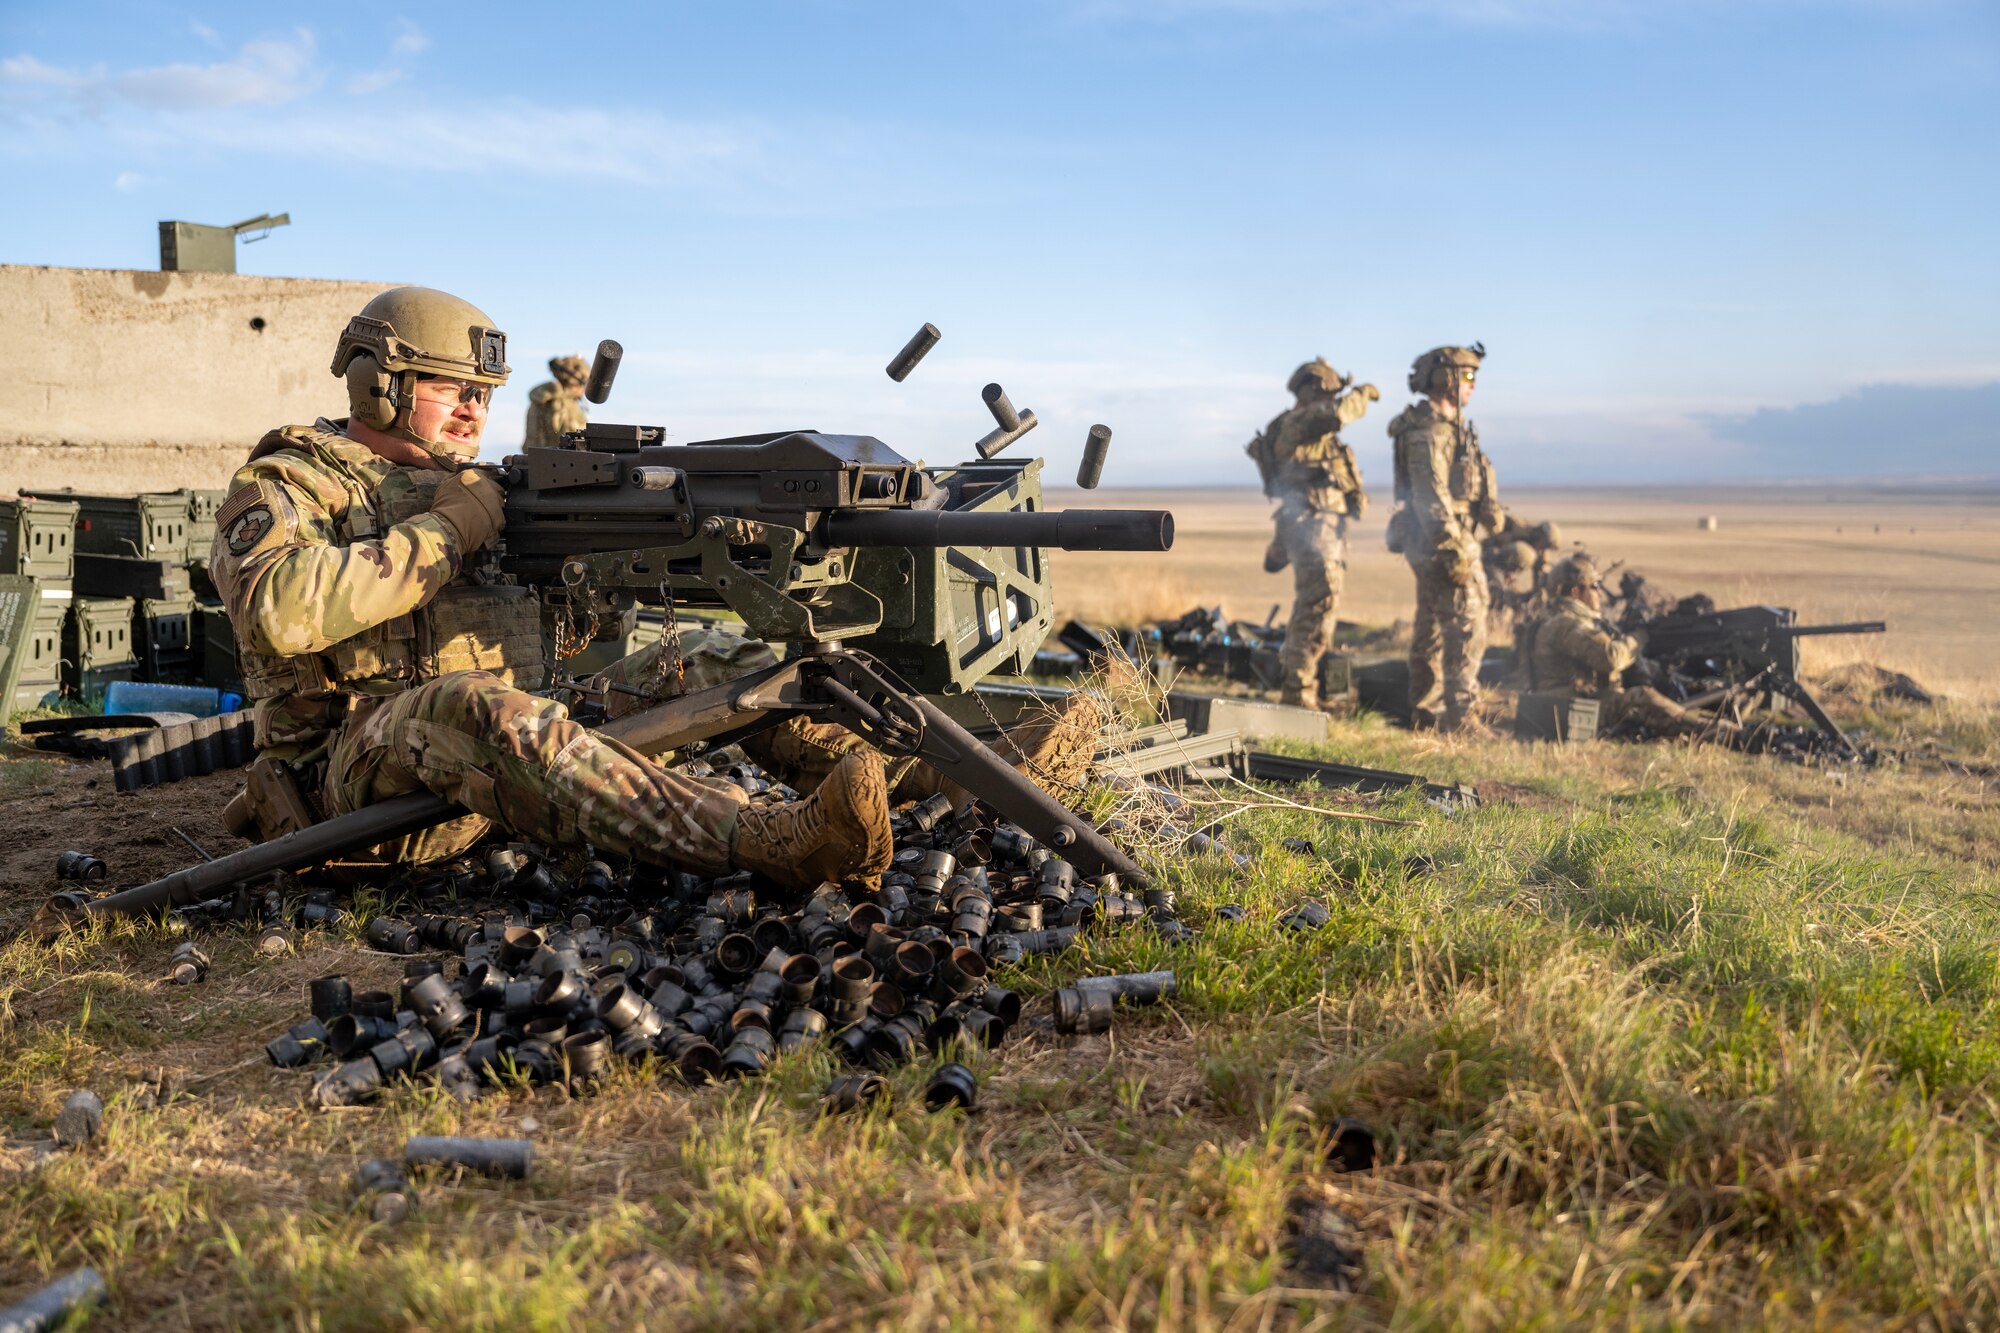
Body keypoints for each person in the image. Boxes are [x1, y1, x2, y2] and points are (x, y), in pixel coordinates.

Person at [208, 287, 893, 891]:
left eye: (484, 394)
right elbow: (279, 612)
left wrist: (588, 581)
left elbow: (548, 643)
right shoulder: (290, 482)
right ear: (377, 384)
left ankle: (891, 787)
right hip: (353, 788)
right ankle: (763, 840)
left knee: (711, 659)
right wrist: (448, 532)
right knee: (466, 702)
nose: (475, 410)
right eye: (454, 388)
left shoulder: (481, 488)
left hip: (500, 760)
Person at [1244, 357, 1377, 708]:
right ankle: (1297, 694)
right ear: (1314, 393)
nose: (1335, 400)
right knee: (1316, 604)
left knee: (1321, 607)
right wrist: (1363, 393)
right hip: (1312, 527)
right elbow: (1339, 414)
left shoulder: (1310, 432)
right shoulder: (1301, 421)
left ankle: (1304, 688)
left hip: (1322, 526)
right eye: (1330, 393)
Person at [1386, 344, 1500, 734]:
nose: (1472, 385)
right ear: (1446, 379)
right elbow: (1429, 493)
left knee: (1434, 624)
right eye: (1467, 376)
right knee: (1465, 623)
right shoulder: (1429, 432)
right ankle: (1460, 716)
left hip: (1442, 536)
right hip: (1439, 539)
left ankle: (1428, 714)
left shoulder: (1451, 429)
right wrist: (1451, 547)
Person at [1524, 554, 1738, 744]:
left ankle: (1718, 726)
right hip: (1568, 707)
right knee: (1641, 698)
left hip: (1574, 703)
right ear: (1575, 591)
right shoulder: (1565, 623)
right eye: (1595, 586)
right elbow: (1610, 658)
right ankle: (1729, 736)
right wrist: (1638, 638)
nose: (1600, 593)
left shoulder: (1562, 619)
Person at [523, 354, 590, 447]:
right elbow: (571, 442)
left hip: (534, 457)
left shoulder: (541, 398)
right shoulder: (564, 404)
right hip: (559, 458)